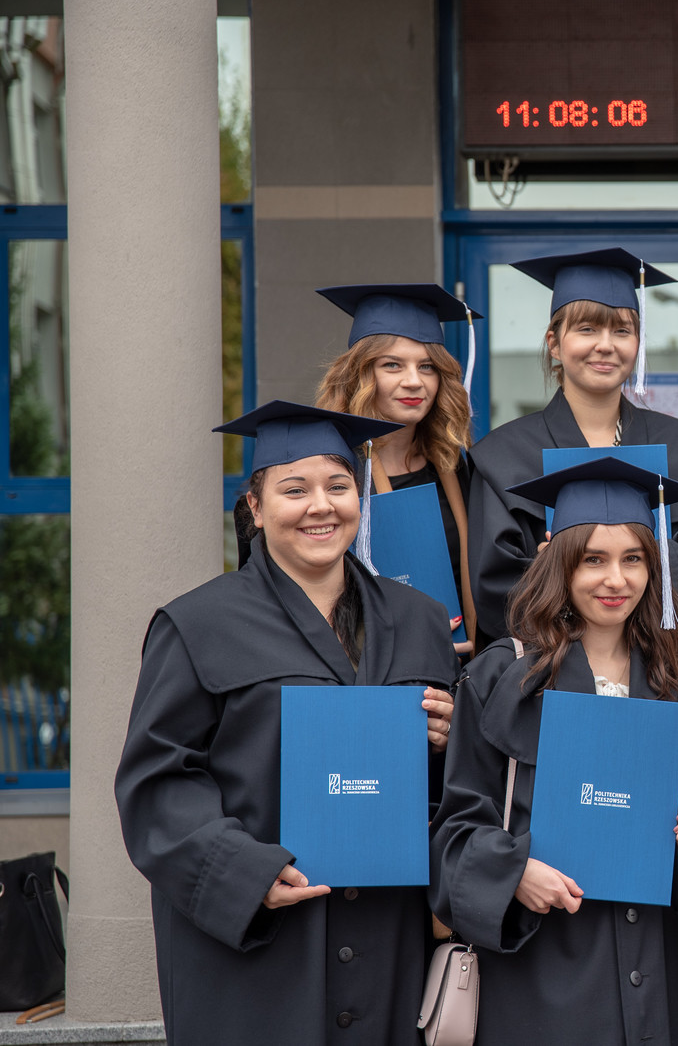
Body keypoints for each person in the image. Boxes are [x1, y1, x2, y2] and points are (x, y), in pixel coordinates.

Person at [115, 402, 459, 1045]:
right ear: (255, 506)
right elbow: (157, 783)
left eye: (338, 486)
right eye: (294, 490)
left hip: (386, 934)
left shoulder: (420, 619)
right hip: (263, 941)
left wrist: (446, 739)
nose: (320, 506)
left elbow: (449, 793)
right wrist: (245, 873)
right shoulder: (198, 625)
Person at [430, 457, 678, 1045]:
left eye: (633, 559)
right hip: (545, 967)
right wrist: (514, 872)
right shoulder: (504, 675)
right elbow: (454, 830)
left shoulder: (669, 677)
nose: (616, 579)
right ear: (560, 563)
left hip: (650, 961)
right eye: (593, 560)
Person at [468, 248, 678, 641]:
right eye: (587, 329)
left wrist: (603, 566)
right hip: (554, 664)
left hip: (670, 662)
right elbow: (495, 585)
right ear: (554, 343)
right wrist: (556, 577)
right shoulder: (503, 457)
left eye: (622, 331)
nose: (606, 345)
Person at [313, 283, 482, 654]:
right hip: (363, 664)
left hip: (463, 661)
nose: (414, 381)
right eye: (392, 365)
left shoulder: (455, 467)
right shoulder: (330, 470)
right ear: (361, 373)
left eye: (427, 367)